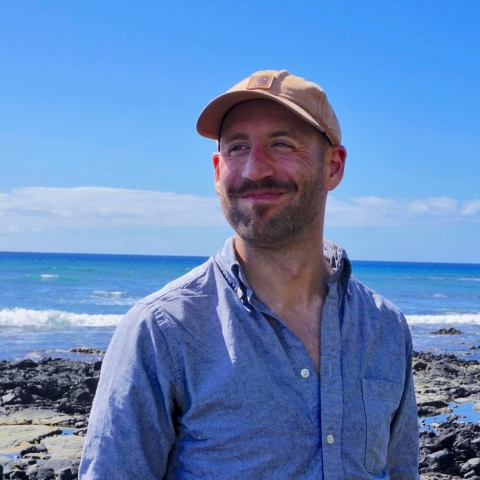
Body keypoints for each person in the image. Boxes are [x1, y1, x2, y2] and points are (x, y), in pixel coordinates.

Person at [79, 70, 419, 479]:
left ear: (333, 166)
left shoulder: (384, 327)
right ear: (218, 169)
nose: (255, 169)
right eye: (238, 148)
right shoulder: (162, 331)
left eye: (281, 144)